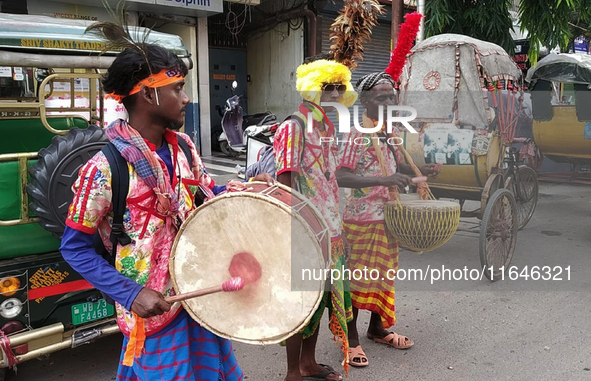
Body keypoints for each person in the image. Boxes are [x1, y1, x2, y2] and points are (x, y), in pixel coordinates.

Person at [60, 40, 272, 380]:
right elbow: (73, 247)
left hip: (201, 295)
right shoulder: (103, 169)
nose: (186, 98)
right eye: (177, 88)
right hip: (155, 310)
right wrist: (131, 293)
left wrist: (248, 191)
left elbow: (206, 196)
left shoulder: (185, 148)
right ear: (148, 94)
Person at [335, 72, 440, 367]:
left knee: (383, 278)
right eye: (381, 97)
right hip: (361, 220)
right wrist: (386, 177)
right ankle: (351, 340)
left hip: (389, 216)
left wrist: (423, 171)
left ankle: (377, 330)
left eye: (391, 96)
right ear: (365, 100)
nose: (388, 101)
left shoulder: (387, 129)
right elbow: (341, 176)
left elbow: (397, 165)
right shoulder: (358, 133)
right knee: (357, 283)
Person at [273, 54, 357, 381]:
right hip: (305, 233)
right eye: (328, 87)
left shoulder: (327, 126)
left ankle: (309, 362)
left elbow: (330, 180)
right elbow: (286, 184)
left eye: (340, 87)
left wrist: (340, 228)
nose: (336, 94)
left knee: (322, 300)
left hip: (330, 230)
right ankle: (293, 371)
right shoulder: (294, 126)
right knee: (301, 302)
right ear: (312, 88)